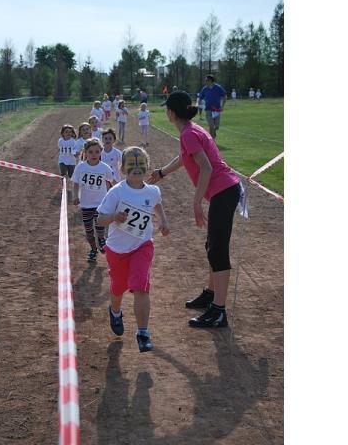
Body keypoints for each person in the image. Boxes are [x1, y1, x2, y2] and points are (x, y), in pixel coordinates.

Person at [149, 91, 241, 328]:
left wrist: (196, 202)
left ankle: (218, 311)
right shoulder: (190, 130)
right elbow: (184, 157)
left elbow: (206, 168)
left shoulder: (189, 133)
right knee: (212, 246)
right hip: (225, 190)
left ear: (171, 113)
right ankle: (211, 294)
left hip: (224, 191)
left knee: (218, 251)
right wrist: (161, 173)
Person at [97, 146, 169, 352]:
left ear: (147, 166)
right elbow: (100, 219)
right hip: (117, 249)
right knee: (118, 287)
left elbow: (156, 204)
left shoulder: (153, 191)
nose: (137, 168)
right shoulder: (117, 192)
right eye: (132, 164)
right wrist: (113, 217)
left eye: (141, 164)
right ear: (122, 169)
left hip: (142, 246)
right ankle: (115, 311)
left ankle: (143, 333)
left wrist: (163, 221)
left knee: (140, 285)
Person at [72, 138, 116, 263]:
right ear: (85, 152)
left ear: (101, 152)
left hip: (100, 204)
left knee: (100, 227)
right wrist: (75, 196)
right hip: (85, 204)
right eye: (90, 152)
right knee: (89, 231)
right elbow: (75, 184)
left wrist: (113, 197)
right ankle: (93, 249)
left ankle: (101, 239)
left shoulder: (104, 168)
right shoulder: (80, 167)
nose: (94, 154)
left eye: (97, 151)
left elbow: (111, 182)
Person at [197, 75, 227, 139]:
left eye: (207, 80)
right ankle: (212, 140)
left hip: (217, 110)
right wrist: (198, 104)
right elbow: (200, 98)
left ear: (210, 80)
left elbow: (225, 96)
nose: (205, 81)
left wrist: (222, 106)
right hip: (208, 110)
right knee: (211, 125)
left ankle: (213, 132)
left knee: (216, 127)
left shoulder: (218, 88)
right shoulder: (205, 89)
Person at [58, 124, 77, 197]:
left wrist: (75, 153)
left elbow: (75, 149)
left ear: (72, 133)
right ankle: (63, 186)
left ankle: (73, 187)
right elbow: (60, 148)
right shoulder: (60, 141)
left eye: (70, 132)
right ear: (63, 133)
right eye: (66, 132)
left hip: (71, 160)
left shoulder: (73, 141)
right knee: (63, 173)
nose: (68, 133)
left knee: (71, 175)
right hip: (62, 159)